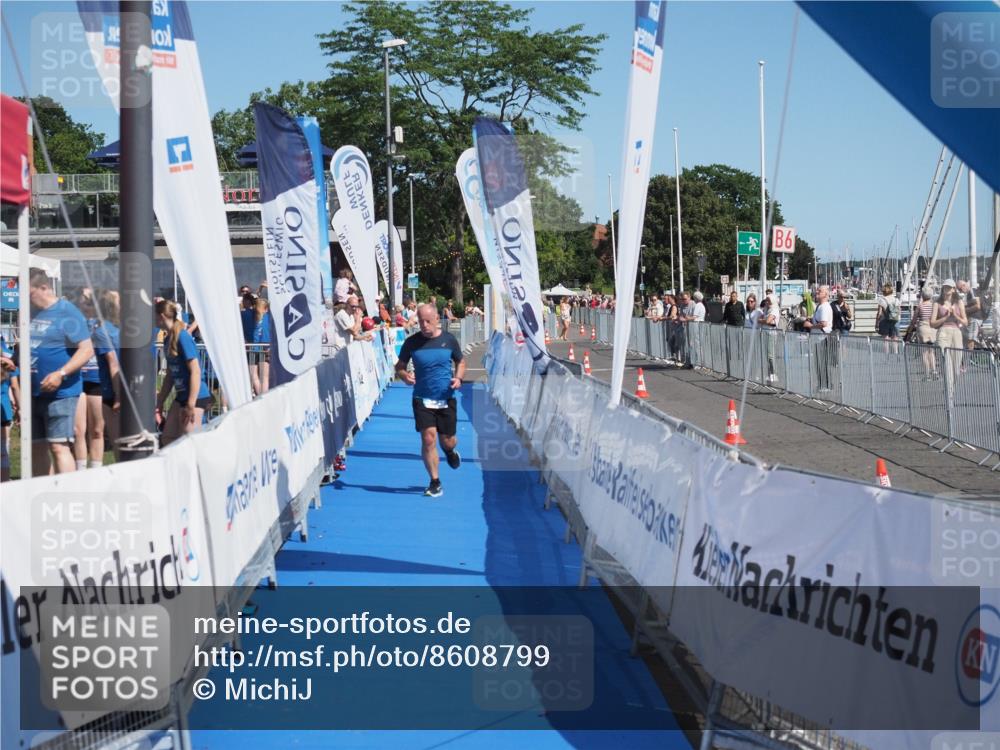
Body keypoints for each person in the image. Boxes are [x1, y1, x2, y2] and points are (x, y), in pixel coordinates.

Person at [394, 303, 466, 498]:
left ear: (436, 319)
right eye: (420, 321)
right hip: (422, 397)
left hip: (445, 397)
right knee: (428, 439)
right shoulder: (412, 342)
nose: (424, 325)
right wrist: (404, 375)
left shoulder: (449, 340)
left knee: (448, 441)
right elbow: (399, 366)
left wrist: (458, 378)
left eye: (428, 321)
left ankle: (450, 452)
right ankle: (435, 482)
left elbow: (460, 361)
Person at [27, 269, 95, 475]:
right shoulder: (31, 312)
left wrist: (61, 373)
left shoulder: (67, 312)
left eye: (29, 293)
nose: (25, 299)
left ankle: (66, 494)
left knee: (59, 446)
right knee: (35, 447)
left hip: (61, 394)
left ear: (44, 288)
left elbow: (86, 349)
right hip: (33, 392)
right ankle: (41, 493)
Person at [155, 299, 213, 447]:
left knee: (189, 442)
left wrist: (191, 404)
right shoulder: (168, 339)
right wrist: (160, 402)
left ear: (161, 316)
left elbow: (195, 371)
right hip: (181, 396)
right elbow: (170, 375)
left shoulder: (183, 337)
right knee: (168, 437)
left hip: (196, 396)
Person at [930, 279, 966, 385]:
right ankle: (948, 392)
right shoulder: (937, 303)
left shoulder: (959, 302)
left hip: (956, 332)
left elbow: (965, 321)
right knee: (946, 363)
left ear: (954, 289)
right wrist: (945, 317)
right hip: (943, 332)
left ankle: (952, 389)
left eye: (949, 287)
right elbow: (932, 323)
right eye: (945, 287)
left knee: (956, 365)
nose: (947, 289)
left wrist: (955, 315)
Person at [903, 286, 939, 380]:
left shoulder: (920, 306)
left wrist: (909, 331)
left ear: (922, 295)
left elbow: (914, 320)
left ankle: (927, 374)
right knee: (931, 351)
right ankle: (934, 371)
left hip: (923, 329)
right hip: (932, 329)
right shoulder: (933, 305)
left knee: (924, 352)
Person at [803, 285, 834, 392]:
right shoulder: (820, 306)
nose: (817, 292)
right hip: (818, 339)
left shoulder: (824, 307)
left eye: (819, 291)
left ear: (825, 294)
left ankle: (825, 385)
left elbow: (824, 323)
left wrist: (810, 326)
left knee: (822, 363)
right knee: (819, 363)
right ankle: (822, 384)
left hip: (822, 338)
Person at [1, 340, 19, 482]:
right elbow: (14, 387)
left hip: (4, 409)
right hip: (4, 409)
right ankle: (5, 482)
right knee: (3, 450)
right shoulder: (9, 360)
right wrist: (20, 407)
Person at [251, 297, 272, 395]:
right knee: (258, 376)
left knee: (260, 376)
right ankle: (262, 397)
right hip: (259, 348)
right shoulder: (260, 317)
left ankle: (262, 397)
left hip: (260, 348)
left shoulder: (263, 317)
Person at [957, 280, 982, 350]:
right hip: (972, 319)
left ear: (963, 285)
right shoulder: (968, 294)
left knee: (970, 341)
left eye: (960, 289)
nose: (960, 292)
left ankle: (967, 359)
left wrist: (964, 310)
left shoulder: (972, 291)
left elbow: (978, 306)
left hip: (974, 319)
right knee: (967, 339)